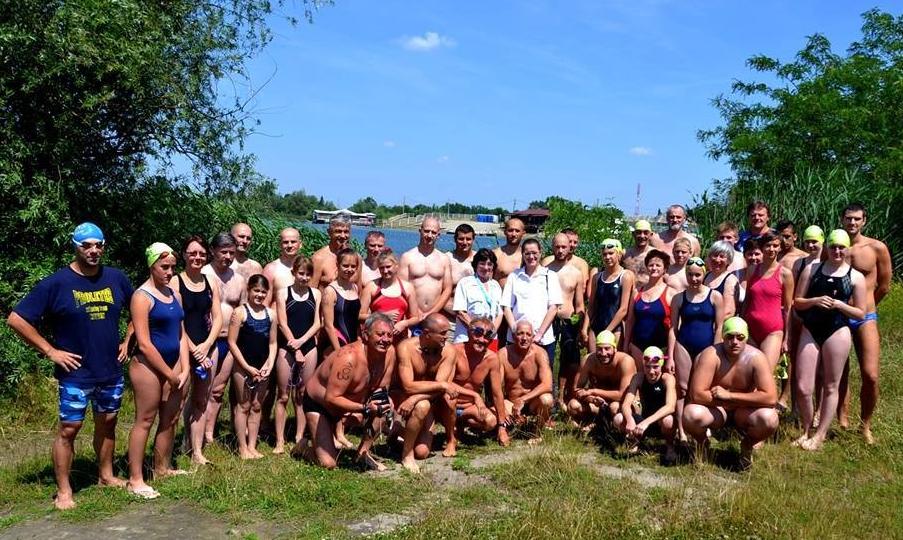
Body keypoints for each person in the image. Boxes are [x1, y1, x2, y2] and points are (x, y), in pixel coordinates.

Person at [7, 223, 133, 510]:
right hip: (75, 373)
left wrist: (128, 340)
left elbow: (140, 306)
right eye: (86, 246)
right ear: (75, 247)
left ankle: (106, 476)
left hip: (110, 370)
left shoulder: (116, 278)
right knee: (69, 428)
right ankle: (64, 490)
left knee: (108, 423)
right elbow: (16, 319)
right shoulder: (56, 283)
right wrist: (51, 351)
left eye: (98, 245)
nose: (93, 251)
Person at [126, 243, 190, 499]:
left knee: (171, 418)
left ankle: (161, 468)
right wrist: (168, 373)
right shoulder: (142, 297)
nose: (169, 272)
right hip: (148, 366)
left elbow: (181, 334)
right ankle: (135, 479)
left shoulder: (175, 294)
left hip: (175, 363)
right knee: (145, 420)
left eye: (173, 267)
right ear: (151, 266)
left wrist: (185, 367)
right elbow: (144, 343)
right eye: (164, 267)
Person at [794, 230, 867, 450]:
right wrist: (815, 301)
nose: (837, 251)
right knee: (803, 386)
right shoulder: (812, 269)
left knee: (831, 385)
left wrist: (840, 305)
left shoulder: (855, 277)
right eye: (833, 246)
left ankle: (820, 434)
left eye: (841, 247)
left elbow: (860, 313)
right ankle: (807, 429)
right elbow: (797, 301)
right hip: (811, 328)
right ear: (827, 247)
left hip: (837, 330)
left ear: (847, 249)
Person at [303, 313, 396, 471]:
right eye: (380, 334)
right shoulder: (348, 358)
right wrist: (364, 408)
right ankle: (304, 449)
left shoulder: (390, 352)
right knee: (328, 464)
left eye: (389, 335)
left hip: (352, 404)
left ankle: (362, 453)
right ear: (365, 335)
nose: (385, 339)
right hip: (321, 405)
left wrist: (382, 402)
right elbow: (331, 397)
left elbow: (381, 388)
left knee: (384, 404)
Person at [682, 317, 779, 466]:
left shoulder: (757, 358)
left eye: (740, 337)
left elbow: (771, 398)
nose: (734, 342)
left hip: (743, 411)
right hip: (716, 410)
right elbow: (696, 394)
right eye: (729, 337)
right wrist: (725, 401)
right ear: (723, 337)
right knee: (690, 414)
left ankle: (747, 445)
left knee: (770, 418)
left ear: (746, 338)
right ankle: (702, 443)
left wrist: (730, 396)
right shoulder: (711, 355)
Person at [838, 203, 892, 443]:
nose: (852, 223)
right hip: (839, 316)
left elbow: (884, 286)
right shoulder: (835, 247)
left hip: (865, 316)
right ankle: (842, 419)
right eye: (848, 218)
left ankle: (865, 425)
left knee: (870, 375)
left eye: (857, 219)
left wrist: (866, 306)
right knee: (839, 372)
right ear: (842, 220)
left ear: (864, 221)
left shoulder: (876, 248)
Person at [170, 235, 222, 466]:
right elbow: (177, 320)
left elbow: (217, 317)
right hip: (183, 348)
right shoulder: (175, 282)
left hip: (208, 348)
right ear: (184, 255)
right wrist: (193, 349)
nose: (197, 257)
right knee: (178, 401)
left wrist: (207, 345)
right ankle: (170, 450)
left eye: (201, 254)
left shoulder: (210, 282)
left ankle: (197, 451)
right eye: (192, 253)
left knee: (201, 401)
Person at [395, 313, 466, 472]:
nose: (446, 336)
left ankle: (401, 434)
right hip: (403, 399)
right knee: (422, 405)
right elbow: (407, 386)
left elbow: (440, 390)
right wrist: (441, 385)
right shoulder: (406, 348)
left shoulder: (448, 351)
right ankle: (407, 454)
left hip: (430, 401)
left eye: (447, 332)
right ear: (427, 333)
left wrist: (415, 398)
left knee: (422, 452)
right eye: (442, 333)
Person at [668, 257, 724, 442]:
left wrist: (716, 352)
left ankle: (701, 426)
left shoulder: (715, 296)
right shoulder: (679, 298)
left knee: (700, 389)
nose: (694, 279)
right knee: (682, 389)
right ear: (686, 275)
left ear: (704, 274)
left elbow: (719, 327)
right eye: (690, 275)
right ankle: (681, 430)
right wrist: (670, 357)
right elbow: (673, 329)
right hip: (683, 345)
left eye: (698, 275)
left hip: (706, 348)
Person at [441, 317, 510, 455]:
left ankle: (459, 424)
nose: (482, 340)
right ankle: (451, 440)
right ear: (468, 332)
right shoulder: (455, 351)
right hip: (446, 404)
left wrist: (502, 427)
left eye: (488, 336)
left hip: (468, 407)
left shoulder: (492, 359)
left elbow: (497, 393)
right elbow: (446, 383)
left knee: (490, 421)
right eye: (478, 333)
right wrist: (475, 395)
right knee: (450, 398)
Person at [201, 232, 245, 443]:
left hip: (230, 341)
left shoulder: (239, 279)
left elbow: (242, 310)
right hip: (208, 340)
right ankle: (194, 432)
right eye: (224, 252)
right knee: (203, 390)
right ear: (213, 251)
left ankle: (209, 432)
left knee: (218, 390)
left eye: (232, 253)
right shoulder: (203, 274)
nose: (228, 257)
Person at [274, 256, 321, 454]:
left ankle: (299, 436)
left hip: (308, 346)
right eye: (301, 273)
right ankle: (279, 440)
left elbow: (317, 323)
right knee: (283, 395)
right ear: (293, 273)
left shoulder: (316, 294)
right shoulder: (283, 293)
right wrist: (295, 346)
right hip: (287, 347)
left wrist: (302, 342)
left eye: (308, 274)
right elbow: (282, 323)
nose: (304, 277)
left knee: (302, 394)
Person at [228, 274, 277, 459]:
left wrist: (269, 364)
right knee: (244, 405)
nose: (260, 295)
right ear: (249, 290)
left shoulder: (271, 314)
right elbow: (232, 343)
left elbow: (273, 343)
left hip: (262, 366)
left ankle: (252, 445)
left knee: (256, 406)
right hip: (243, 366)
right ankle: (242, 448)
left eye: (263, 292)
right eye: (256, 290)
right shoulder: (239, 313)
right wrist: (247, 367)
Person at [500, 239, 563, 374]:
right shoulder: (514, 276)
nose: (531, 257)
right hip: (517, 340)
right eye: (527, 253)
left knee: (543, 376)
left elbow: (553, 307)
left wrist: (538, 335)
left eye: (534, 253)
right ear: (522, 255)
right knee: (515, 376)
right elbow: (506, 307)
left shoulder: (550, 276)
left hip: (543, 339)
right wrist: (515, 331)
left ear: (540, 253)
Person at [614, 346, 678, 462]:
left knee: (668, 420)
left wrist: (646, 422)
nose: (651, 371)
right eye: (647, 367)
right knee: (619, 419)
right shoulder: (638, 378)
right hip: (643, 422)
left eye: (655, 367)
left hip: (659, 422)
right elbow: (626, 404)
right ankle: (635, 441)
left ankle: (669, 445)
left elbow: (670, 407)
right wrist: (629, 420)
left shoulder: (667, 379)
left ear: (661, 366)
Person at [741, 234, 793, 371]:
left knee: (765, 373)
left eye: (775, 246)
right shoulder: (752, 270)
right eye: (768, 245)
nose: (771, 249)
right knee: (748, 374)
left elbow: (788, 308)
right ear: (762, 248)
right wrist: (741, 324)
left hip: (772, 331)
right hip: (750, 330)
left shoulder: (785, 274)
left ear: (780, 248)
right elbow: (747, 299)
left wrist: (787, 338)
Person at [546, 233, 587, 409]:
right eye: (557, 247)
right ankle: (548, 394)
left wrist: (580, 326)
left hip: (568, 320)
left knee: (568, 359)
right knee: (546, 358)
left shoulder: (576, 273)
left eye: (564, 247)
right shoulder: (545, 269)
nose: (561, 250)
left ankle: (562, 397)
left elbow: (579, 304)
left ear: (569, 247)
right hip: (548, 320)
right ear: (552, 247)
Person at [498, 320, 554, 444]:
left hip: (533, 402)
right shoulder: (503, 354)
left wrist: (523, 400)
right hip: (511, 403)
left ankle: (537, 432)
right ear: (513, 336)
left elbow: (547, 385)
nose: (524, 338)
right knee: (496, 409)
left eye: (528, 334)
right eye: (520, 334)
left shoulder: (540, 353)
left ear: (533, 337)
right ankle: (507, 428)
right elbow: (497, 387)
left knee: (547, 399)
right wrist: (503, 409)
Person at [567, 330, 636, 429]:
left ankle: (613, 431)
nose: (603, 353)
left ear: (615, 349)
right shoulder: (588, 360)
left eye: (607, 349)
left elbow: (622, 395)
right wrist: (592, 399)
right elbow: (576, 389)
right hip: (599, 403)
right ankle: (592, 425)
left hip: (624, 404)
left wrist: (593, 391)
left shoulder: (626, 361)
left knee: (614, 407)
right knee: (573, 405)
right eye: (599, 349)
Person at [625, 250, 676, 370]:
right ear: (647, 267)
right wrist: (626, 345)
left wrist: (671, 355)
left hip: (661, 348)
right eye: (651, 265)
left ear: (665, 269)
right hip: (637, 347)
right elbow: (630, 321)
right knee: (638, 378)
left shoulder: (671, 293)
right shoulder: (637, 292)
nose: (654, 268)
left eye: (658, 265)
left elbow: (674, 328)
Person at [398, 217, 453, 328]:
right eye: (426, 231)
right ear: (420, 231)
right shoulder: (407, 257)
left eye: (433, 232)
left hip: (435, 316)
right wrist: (416, 311)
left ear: (438, 235)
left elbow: (447, 289)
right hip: (412, 315)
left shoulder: (444, 259)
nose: (429, 235)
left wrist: (433, 312)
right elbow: (402, 287)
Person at [584, 238, 633, 352]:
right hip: (596, 327)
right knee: (593, 360)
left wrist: (607, 331)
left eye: (611, 253)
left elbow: (623, 309)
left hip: (615, 329)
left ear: (619, 254)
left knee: (615, 361)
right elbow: (591, 305)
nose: (607, 257)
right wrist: (584, 328)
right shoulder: (597, 277)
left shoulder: (625, 276)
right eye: (604, 254)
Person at [360, 250, 420, 343]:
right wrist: (381, 316)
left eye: (388, 267)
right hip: (377, 340)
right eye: (381, 268)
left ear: (396, 266)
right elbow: (359, 315)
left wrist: (404, 323)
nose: (385, 271)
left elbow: (415, 318)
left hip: (400, 339)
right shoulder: (372, 286)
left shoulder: (407, 288)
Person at [452, 248, 503, 349]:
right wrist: (477, 331)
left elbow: (500, 313)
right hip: (467, 337)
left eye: (489, 264)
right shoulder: (465, 283)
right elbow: (460, 312)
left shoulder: (496, 286)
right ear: (476, 265)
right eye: (482, 264)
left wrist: (491, 332)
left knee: (490, 359)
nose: (486, 267)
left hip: (489, 339)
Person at [321, 248, 362, 354]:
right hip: (336, 344)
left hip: (353, 342)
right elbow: (328, 326)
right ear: (337, 265)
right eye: (345, 266)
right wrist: (338, 351)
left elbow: (355, 318)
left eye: (353, 266)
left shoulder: (354, 287)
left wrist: (358, 340)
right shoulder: (330, 291)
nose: (349, 269)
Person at [493, 217, 525, 346]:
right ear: (505, 232)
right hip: (500, 307)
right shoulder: (496, 254)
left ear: (523, 233)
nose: (513, 234)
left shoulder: (527, 256)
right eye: (510, 230)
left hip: (520, 308)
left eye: (517, 230)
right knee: (498, 343)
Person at [443, 224, 476, 339]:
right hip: (450, 322)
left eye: (468, 239)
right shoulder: (446, 259)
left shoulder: (480, 260)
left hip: (474, 323)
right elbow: (438, 293)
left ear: (473, 239)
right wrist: (459, 313)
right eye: (461, 239)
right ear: (455, 239)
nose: (465, 242)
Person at [311, 218, 359, 289]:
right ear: (329, 232)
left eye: (346, 232)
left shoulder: (356, 257)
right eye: (338, 231)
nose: (343, 236)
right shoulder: (318, 259)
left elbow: (359, 289)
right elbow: (311, 290)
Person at [263, 227, 302, 304]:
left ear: (300, 244)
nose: (289, 245)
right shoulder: (271, 269)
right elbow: (265, 302)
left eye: (293, 242)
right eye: (285, 242)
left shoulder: (307, 267)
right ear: (279, 245)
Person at [704, 241, 739, 319]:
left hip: (719, 323)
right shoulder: (705, 276)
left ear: (729, 260)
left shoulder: (730, 280)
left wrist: (710, 323)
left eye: (722, 256)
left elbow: (729, 312)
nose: (717, 260)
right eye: (715, 255)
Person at [623, 220, 656, 288]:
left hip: (648, 291)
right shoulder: (625, 253)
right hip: (628, 291)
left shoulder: (656, 254)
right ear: (633, 234)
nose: (642, 236)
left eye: (645, 233)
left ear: (651, 235)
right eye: (638, 232)